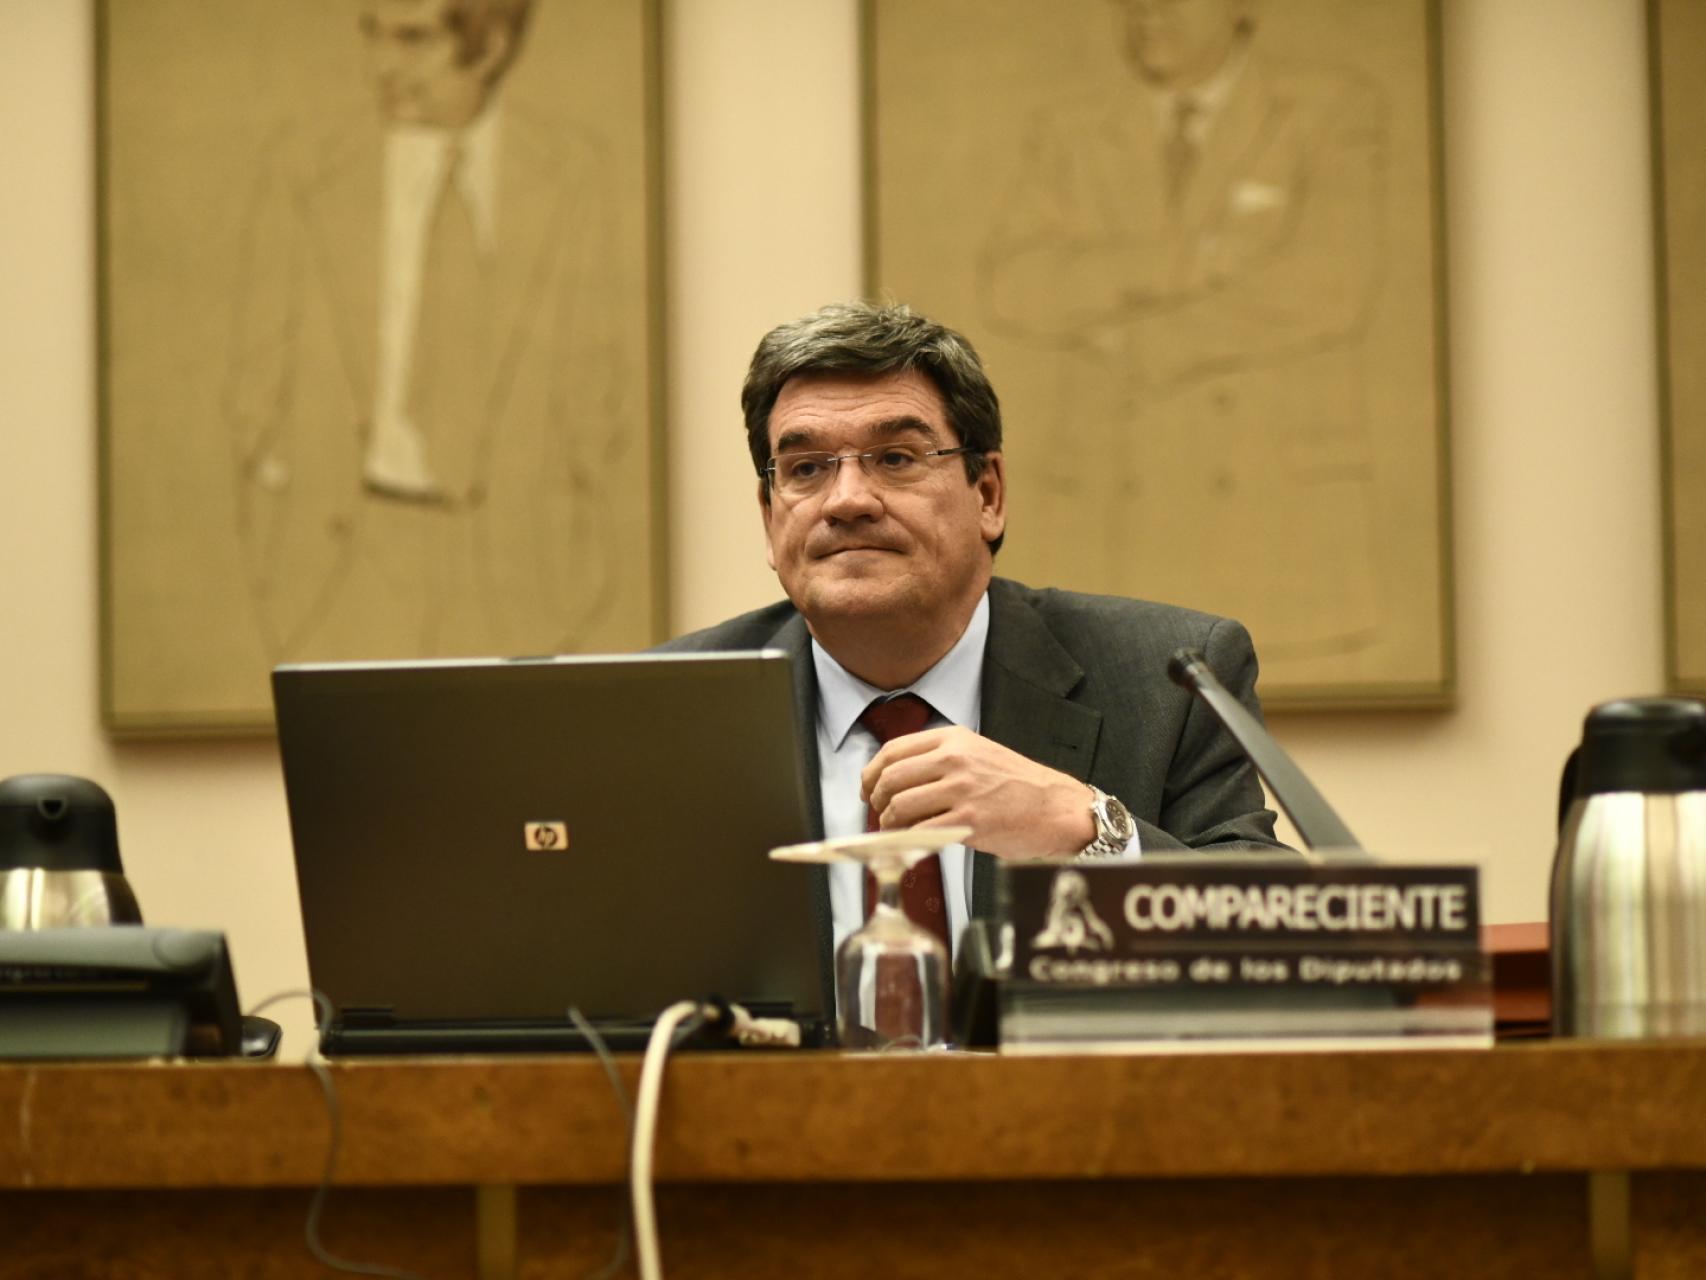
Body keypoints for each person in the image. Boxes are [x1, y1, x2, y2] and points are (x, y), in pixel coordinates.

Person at [662, 301, 1286, 978]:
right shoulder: (666, 710)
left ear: (986, 493)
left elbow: (1276, 954)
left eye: (895, 457)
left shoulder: (1165, 681)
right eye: (806, 469)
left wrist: (1085, 829)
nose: (846, 500)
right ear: (769, 516)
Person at [224, 0, 631, 661]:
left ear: (490, 47)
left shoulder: (570, 172)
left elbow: (600, 373)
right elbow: (256, 373)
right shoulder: (305, 168)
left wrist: (573, 477)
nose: (382, 64)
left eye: (413, 40)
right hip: (343, 552)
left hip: (522, 560)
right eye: (374, 36)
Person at [979, 0, 1387, 660]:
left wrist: (1142, 344)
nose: (1149, 13)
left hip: (1275, 504)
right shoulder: (1071, 130)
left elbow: (1325, 286)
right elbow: (1017, 282)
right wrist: (1186, 260)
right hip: (1115, 504)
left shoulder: (1329, 110)